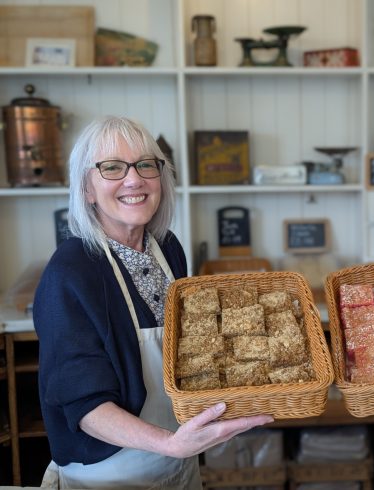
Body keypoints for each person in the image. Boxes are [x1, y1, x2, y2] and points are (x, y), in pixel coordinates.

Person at [33, 116, 273, 489]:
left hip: (180, 462)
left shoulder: (167, 248)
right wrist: (169, 443)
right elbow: (84, 406)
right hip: (110, 475)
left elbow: (189, 353)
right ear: (87, 189)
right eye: (112, 168)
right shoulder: (70, 272)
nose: (134, 180)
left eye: (146, 165)